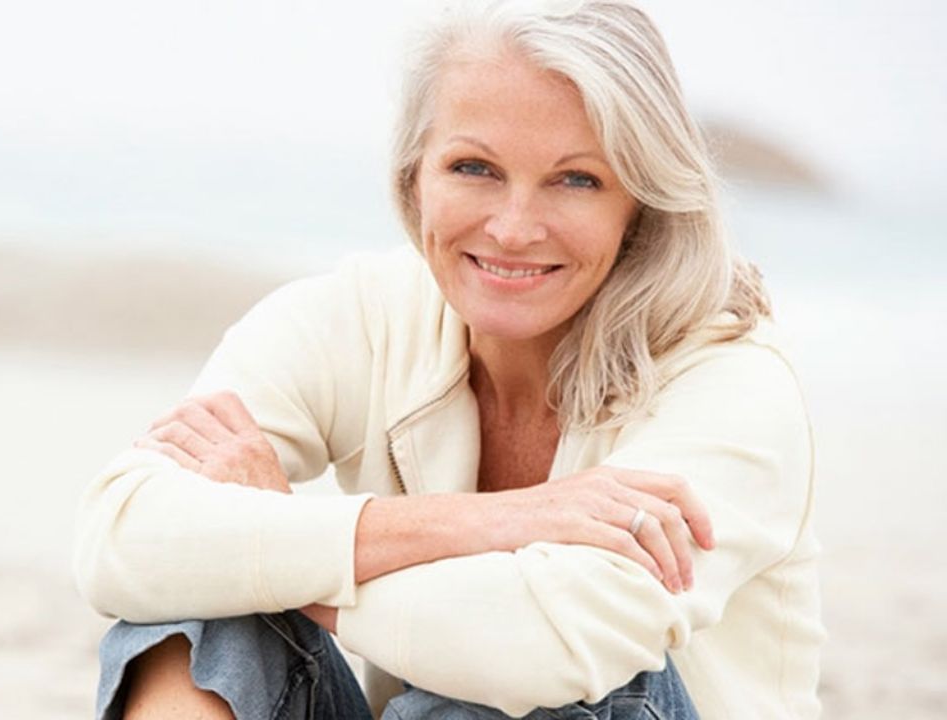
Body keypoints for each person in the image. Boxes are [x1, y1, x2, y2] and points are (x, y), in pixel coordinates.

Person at [72, 0, 824, 717]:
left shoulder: (732, 380)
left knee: (512, 688)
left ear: (640, 207)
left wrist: (272, 546)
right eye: (474, 168)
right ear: (413, 178)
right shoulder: (360, 317)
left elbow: (540, 648)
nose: (513, 227)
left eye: (576, 179)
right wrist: (494, 522)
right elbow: (120, 536)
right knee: (198, 624)